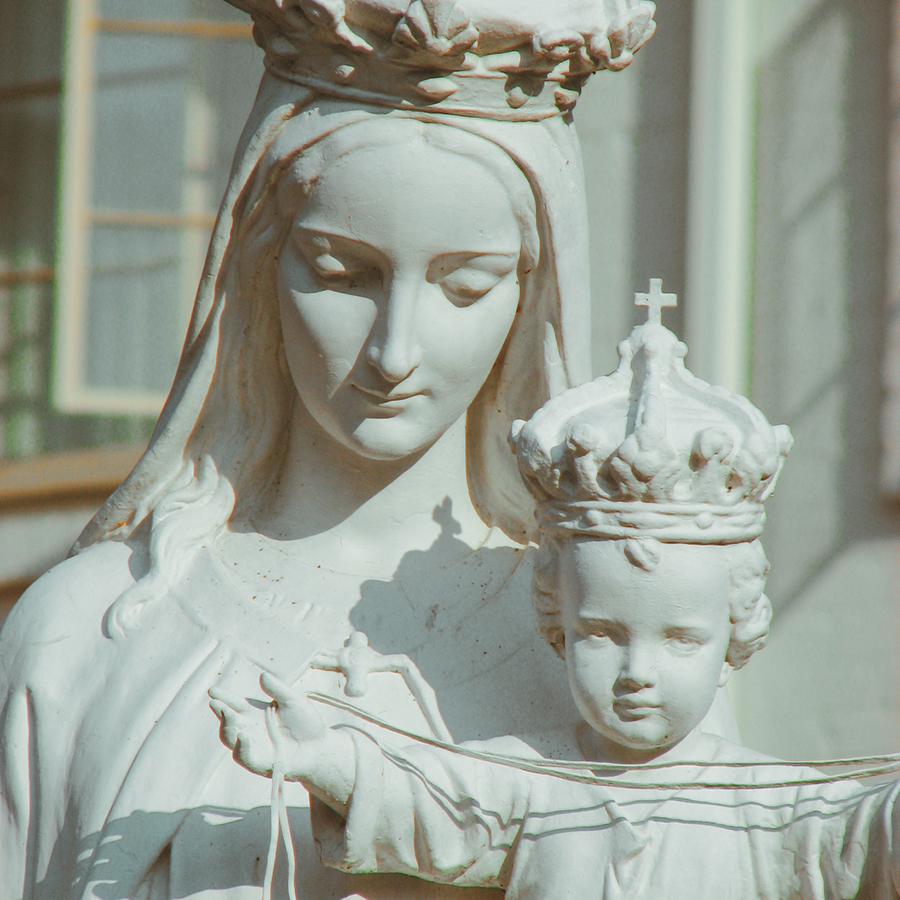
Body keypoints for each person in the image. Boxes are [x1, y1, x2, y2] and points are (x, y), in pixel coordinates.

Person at [0, 2, 667, 899]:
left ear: (531, 297)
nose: (394, 350)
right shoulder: (90, 630)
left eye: (463, 286)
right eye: (341, 274)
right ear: (259, 264)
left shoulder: (627, 644)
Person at [213, 292, 900, 899]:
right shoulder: (530, 777)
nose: (636, 674)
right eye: (601, 633)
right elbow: (434, 811)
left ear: (733, 643)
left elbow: (863, 839)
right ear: (557, 628)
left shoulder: (769, 806)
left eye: (680, 638)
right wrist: (322, 757)